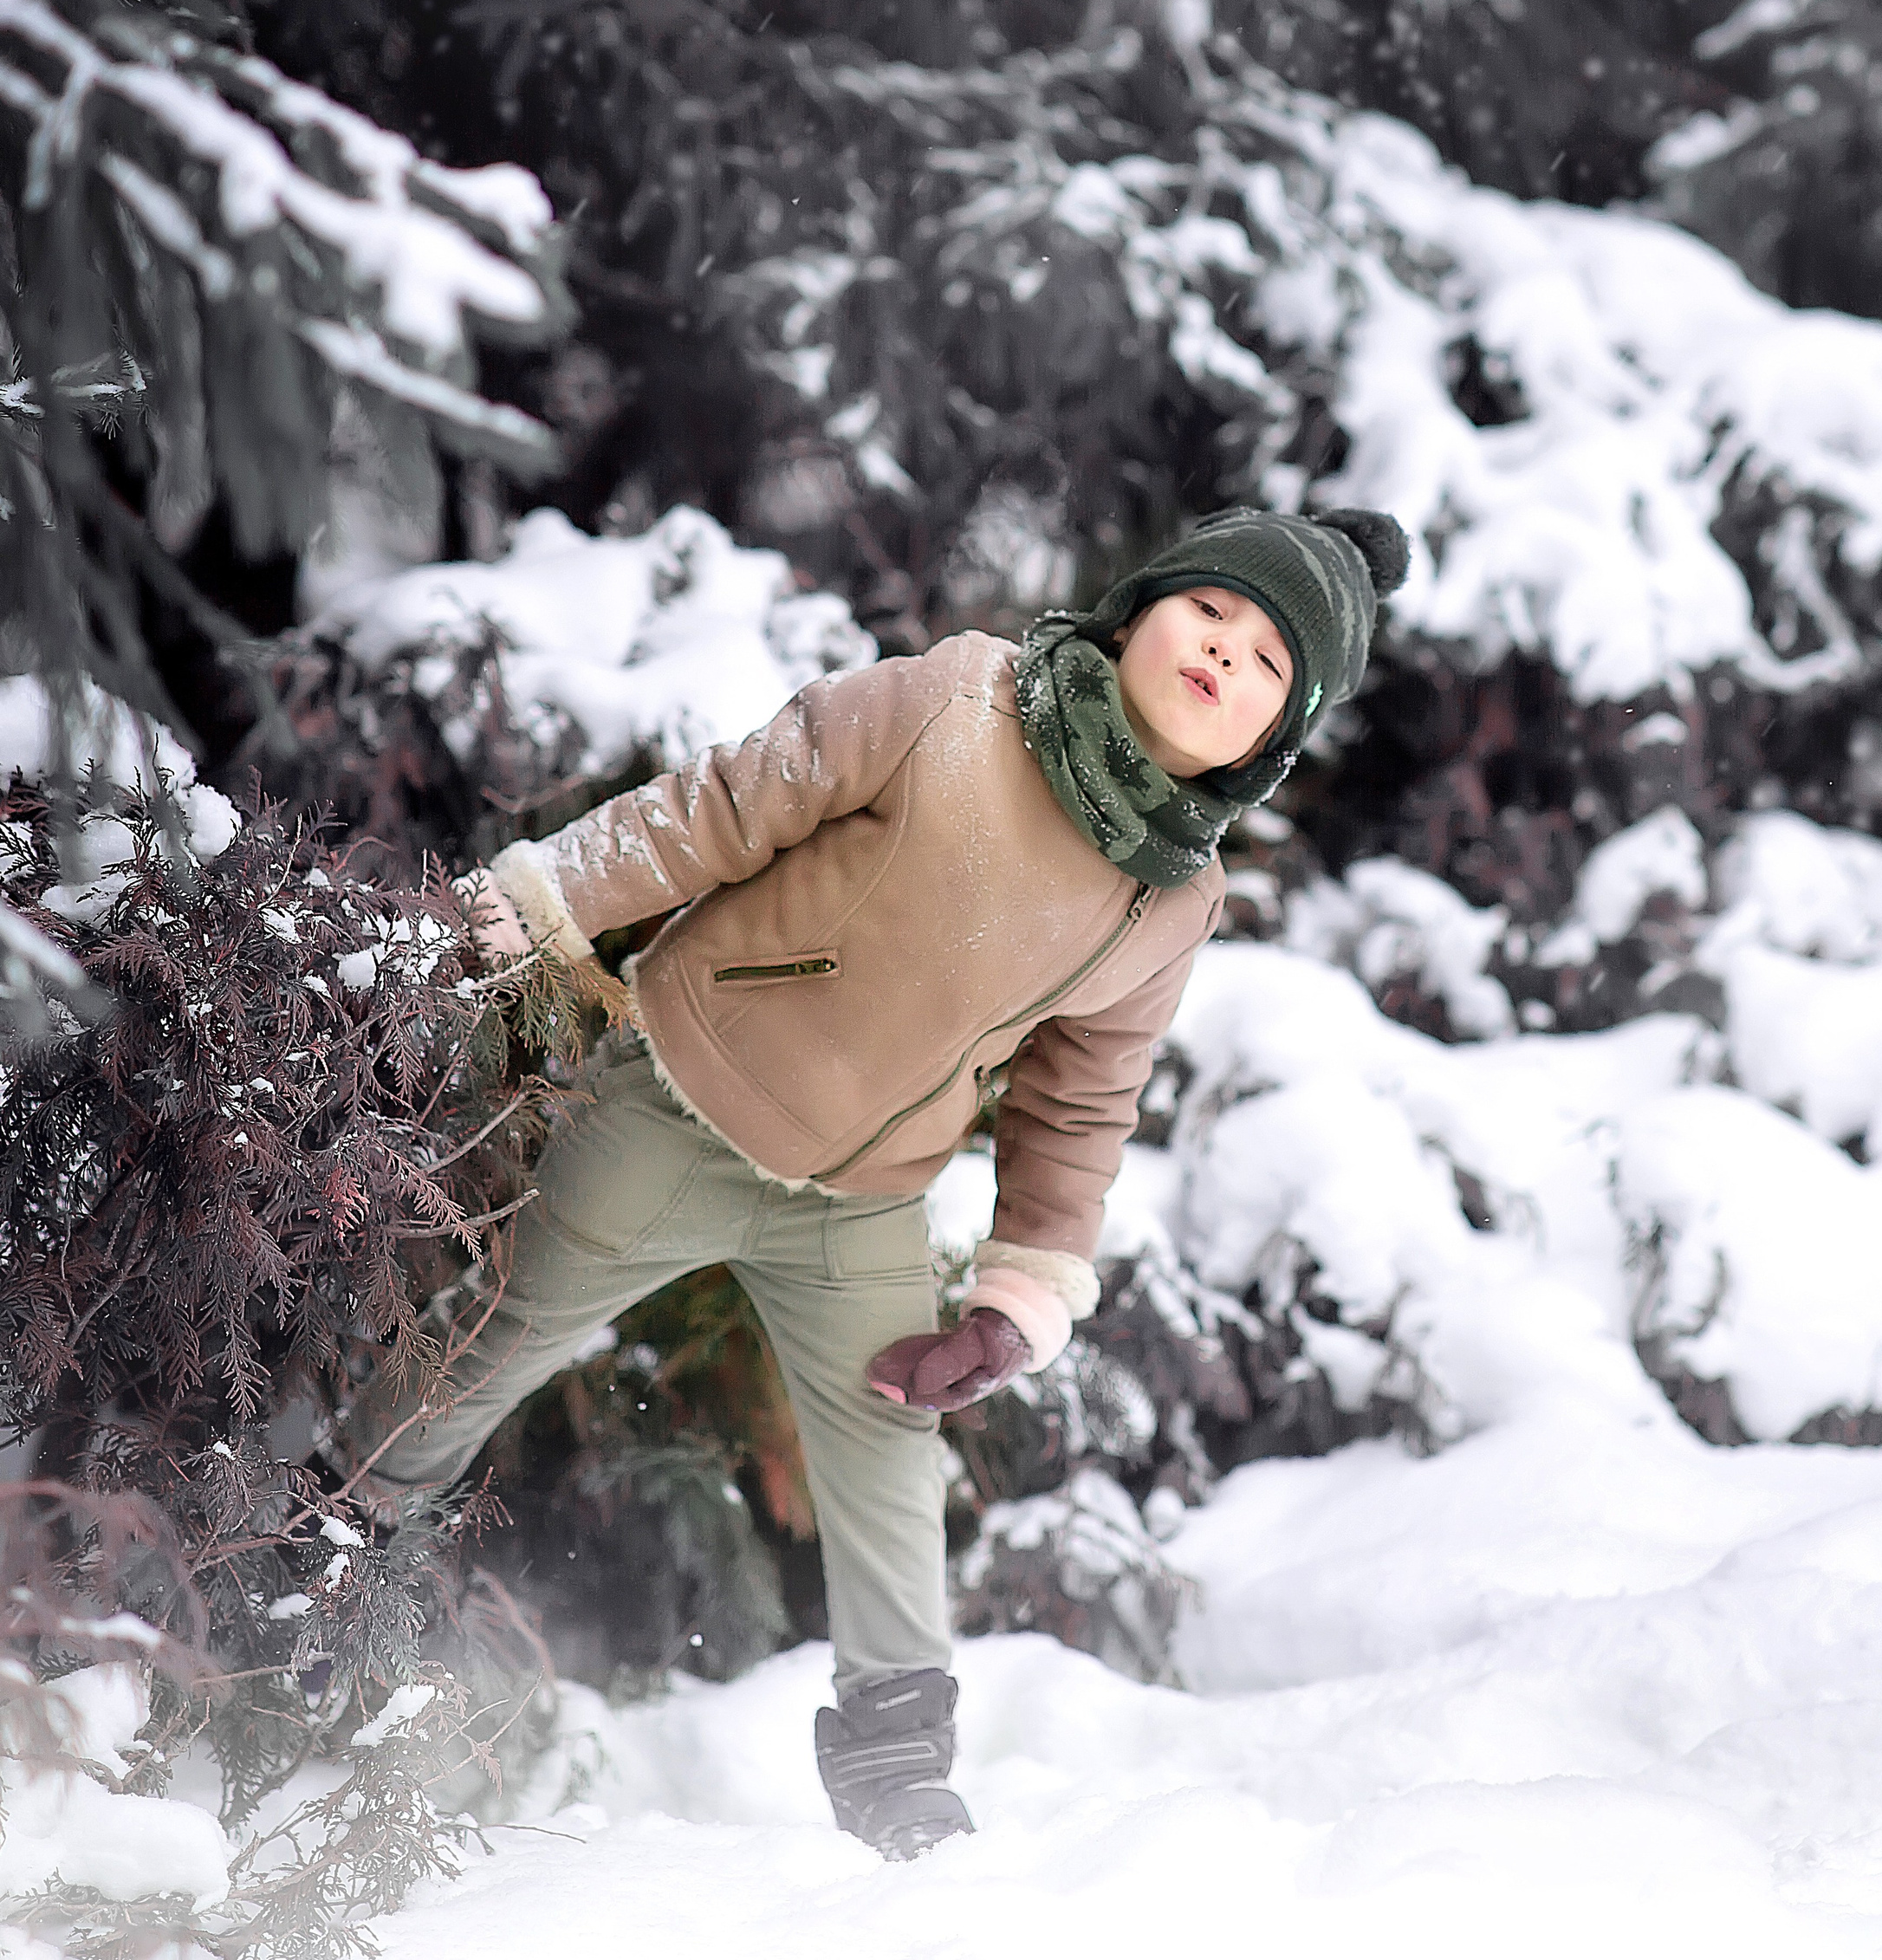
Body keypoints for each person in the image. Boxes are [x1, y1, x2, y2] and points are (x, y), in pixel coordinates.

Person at [341, 503, 1410, 1858]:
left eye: (1267, 664)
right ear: (1142, 607)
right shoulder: (957, 698)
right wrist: (554, 889)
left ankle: (898, 1759)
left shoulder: (1173, 897)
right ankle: (322, 1546)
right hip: (679, 1100)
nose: (1224, 655)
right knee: (497, 1334)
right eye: (1213, 613)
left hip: (863, 1202)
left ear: (1273, 740)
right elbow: (725, 806)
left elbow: (1082, 1098)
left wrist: (1021, 1289)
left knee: (892, 1446)